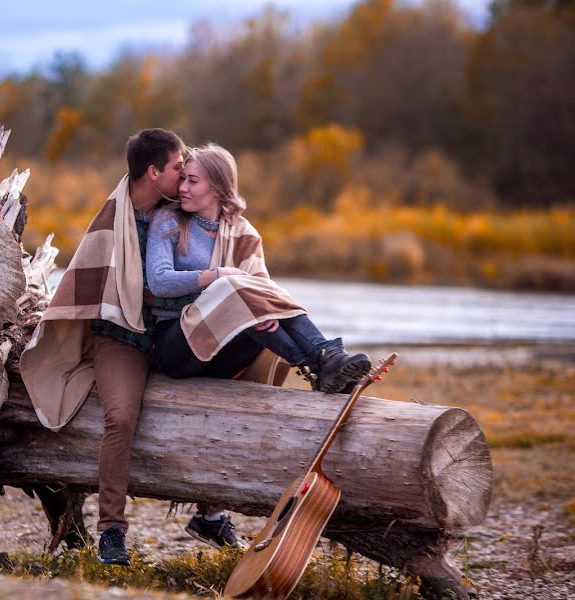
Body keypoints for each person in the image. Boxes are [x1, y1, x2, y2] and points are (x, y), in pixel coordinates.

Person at [21, 129, 237, 566]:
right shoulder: (111, 221)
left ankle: (212, 512)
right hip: (123, 338)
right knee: (120, 417)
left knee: (239, 385)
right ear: (153, 173)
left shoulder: (180, 211)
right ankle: (112, 532)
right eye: (178, 167)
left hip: (176, 334)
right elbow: (90, 286)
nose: (184, 174)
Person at [145, 143, 371, 417]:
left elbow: (265, 294)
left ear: (217, 187)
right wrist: (218, 276)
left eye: (192, 181)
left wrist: (261, 313)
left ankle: (323, 363)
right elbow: (159, 282)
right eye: (183, 179)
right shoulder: (167, 220)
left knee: (260, 297)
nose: (182, 188)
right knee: (231, 286)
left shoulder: (244, 232)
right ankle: (323, 359)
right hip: (176, 349)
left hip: (223, 353)